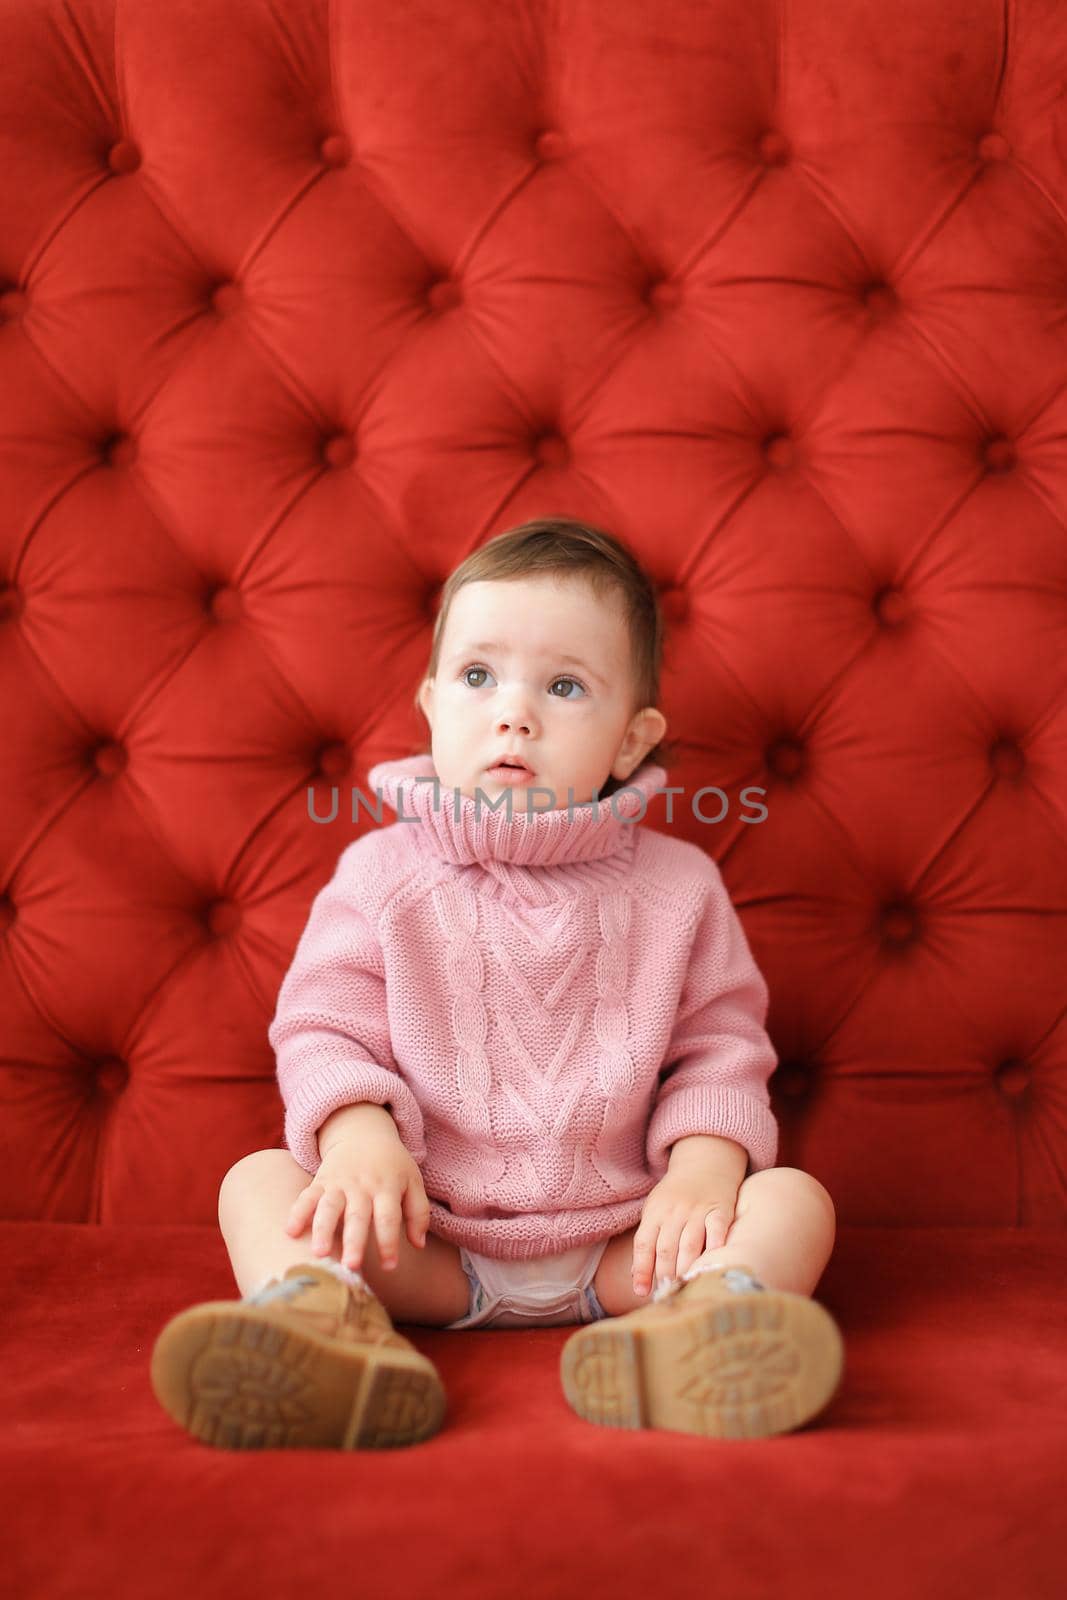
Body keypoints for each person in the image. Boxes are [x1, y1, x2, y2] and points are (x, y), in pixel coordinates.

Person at [150, 516, 843, 1451]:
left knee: (793, 1200)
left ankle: (706, 1325)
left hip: (625, 1250)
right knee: (259, 1181)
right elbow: (324, 1032)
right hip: (422, 1245)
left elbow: (720, 1049)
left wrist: (702, 1172)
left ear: (633, 739)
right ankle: (321, 1319)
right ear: (432, 703)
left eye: (563, 686)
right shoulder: (380, 876)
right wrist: (358, 1141)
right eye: (479, 678)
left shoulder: (679, 889)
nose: (513, 713)